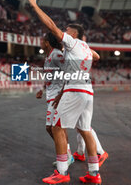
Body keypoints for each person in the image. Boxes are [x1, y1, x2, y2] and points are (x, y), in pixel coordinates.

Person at [29, 0, 102, 184]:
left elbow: (52, 26)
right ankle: (94, 174)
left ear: (74, 34)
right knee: (85, 130)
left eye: (68, 30)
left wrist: (35, 5)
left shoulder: (73, 43)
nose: (64, 32)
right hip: (87, 91)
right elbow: (96, 56)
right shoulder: (86, 47)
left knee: (57, 127)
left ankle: (62, 172)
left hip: (75, 90)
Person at [36, 32, 75, 167]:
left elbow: (69, 72)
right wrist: (42, 89)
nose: (40, 43)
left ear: (47, 42)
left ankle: (65, 157)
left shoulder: (57, 54)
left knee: (54, 127)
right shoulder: (48, 57)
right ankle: (67, 154)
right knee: (54, 127)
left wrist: (62, 93)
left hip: (58, 96)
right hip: (51, 96)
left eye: (43, 40)